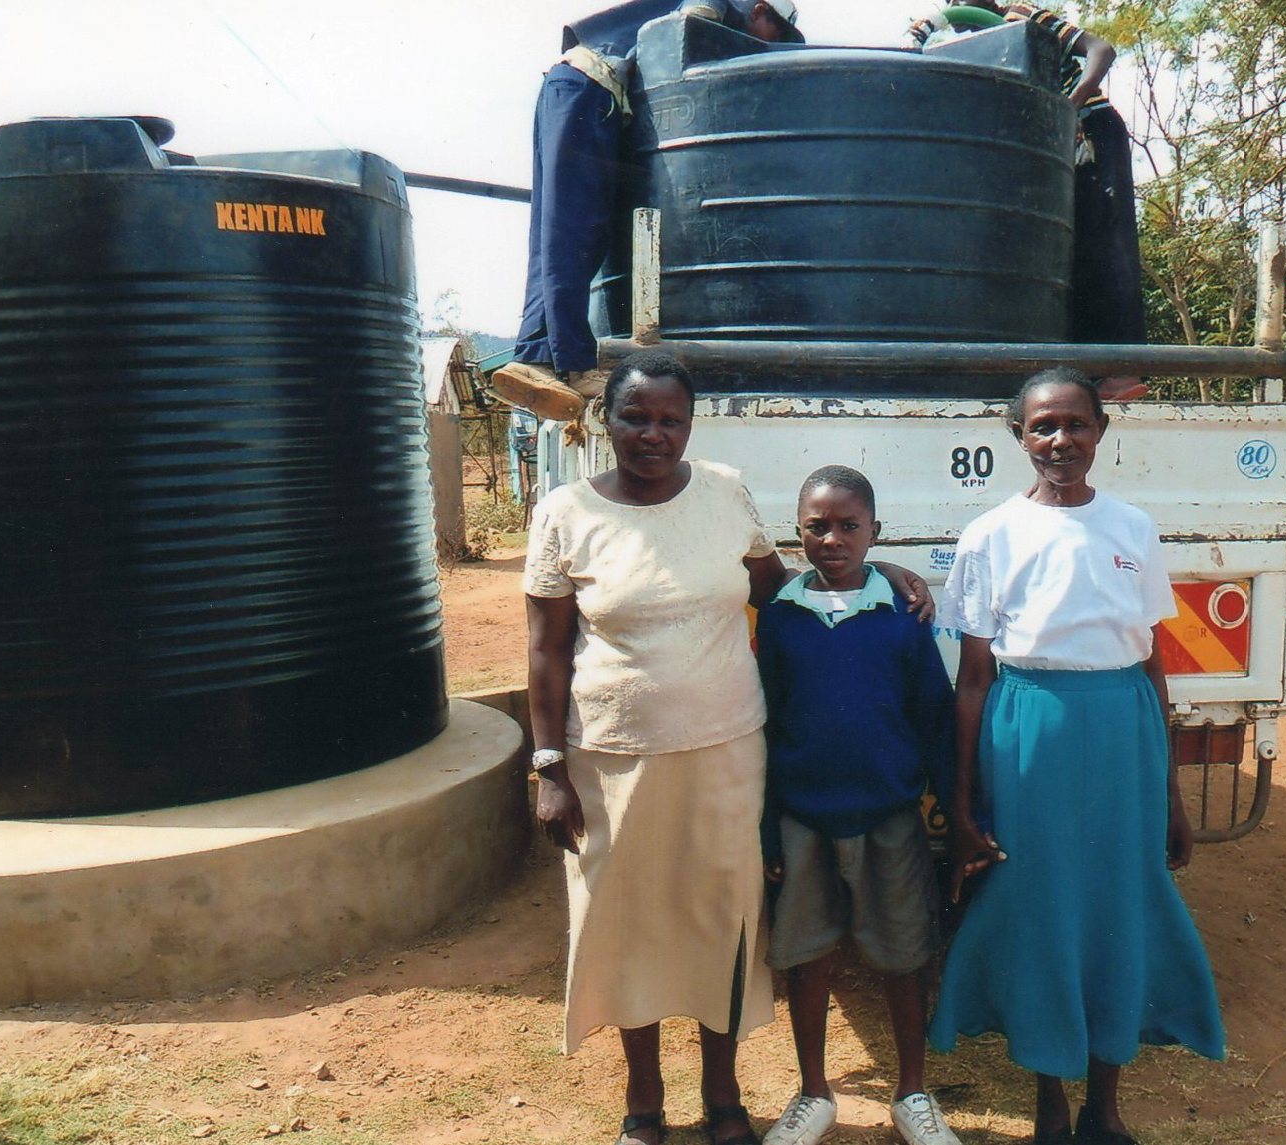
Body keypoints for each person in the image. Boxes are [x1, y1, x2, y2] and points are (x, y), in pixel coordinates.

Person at [523, 351, 932, 1145]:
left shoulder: (722, 491)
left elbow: (781, 589)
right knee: (625, 924)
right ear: (604, 420)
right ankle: (644, 1101)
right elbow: (543, 651)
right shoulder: (565, 513)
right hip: (611, 758)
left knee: (723, 924)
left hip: (727, 752)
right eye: (635, 416)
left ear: (690, 423)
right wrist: (546, 766)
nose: (652, 433)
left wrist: (873, 566)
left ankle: (723, 1099)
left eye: (670, 418)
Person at [927, 368, 1224, 1145]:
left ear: (1101, 430)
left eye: (1075, 425)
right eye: (1042, 428)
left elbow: (1153, 661)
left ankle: (1105, 1101)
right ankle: (1048, 1099)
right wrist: (960, 806)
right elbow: (972, 680)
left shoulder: (1131, 526)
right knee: (1043, 906)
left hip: (1122, 725)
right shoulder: (990, 535)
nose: (1060, 441)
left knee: (1118, 900)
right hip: (1030, 728)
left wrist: (1170, 792)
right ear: (1017, 437)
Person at [754, 466, 959, 1145]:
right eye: (818, 526)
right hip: (803, 815)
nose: (833, 538)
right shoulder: (781, 617)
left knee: (903, 954)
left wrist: (956, 811)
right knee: (807, 956)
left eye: (849, 525)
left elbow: (931, 715)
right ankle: (814, 1092)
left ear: (876, 531)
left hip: (888, 815)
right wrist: (767, 829)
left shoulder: (901, 615)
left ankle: (912, 1091)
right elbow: (767, 718)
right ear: (798, 532)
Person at [491, 0, 804, 422]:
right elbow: (687, 28)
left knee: (557, 232)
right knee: (576, 233)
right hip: (589, 92)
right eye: (776, 33)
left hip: (571, 89)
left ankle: (535, 355)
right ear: (760, 10)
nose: (770, 45)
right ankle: (575, 365)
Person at [910, 0, 1148, 399]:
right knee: (1057, 255)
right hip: (1042, 150)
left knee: (1105, 245)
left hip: (1089, 130)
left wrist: (1070, 106)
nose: (954, 4)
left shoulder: (1021, 17)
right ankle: (1077, 372)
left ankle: (1119, 371)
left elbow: (1101, 50)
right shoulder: (963, 44)